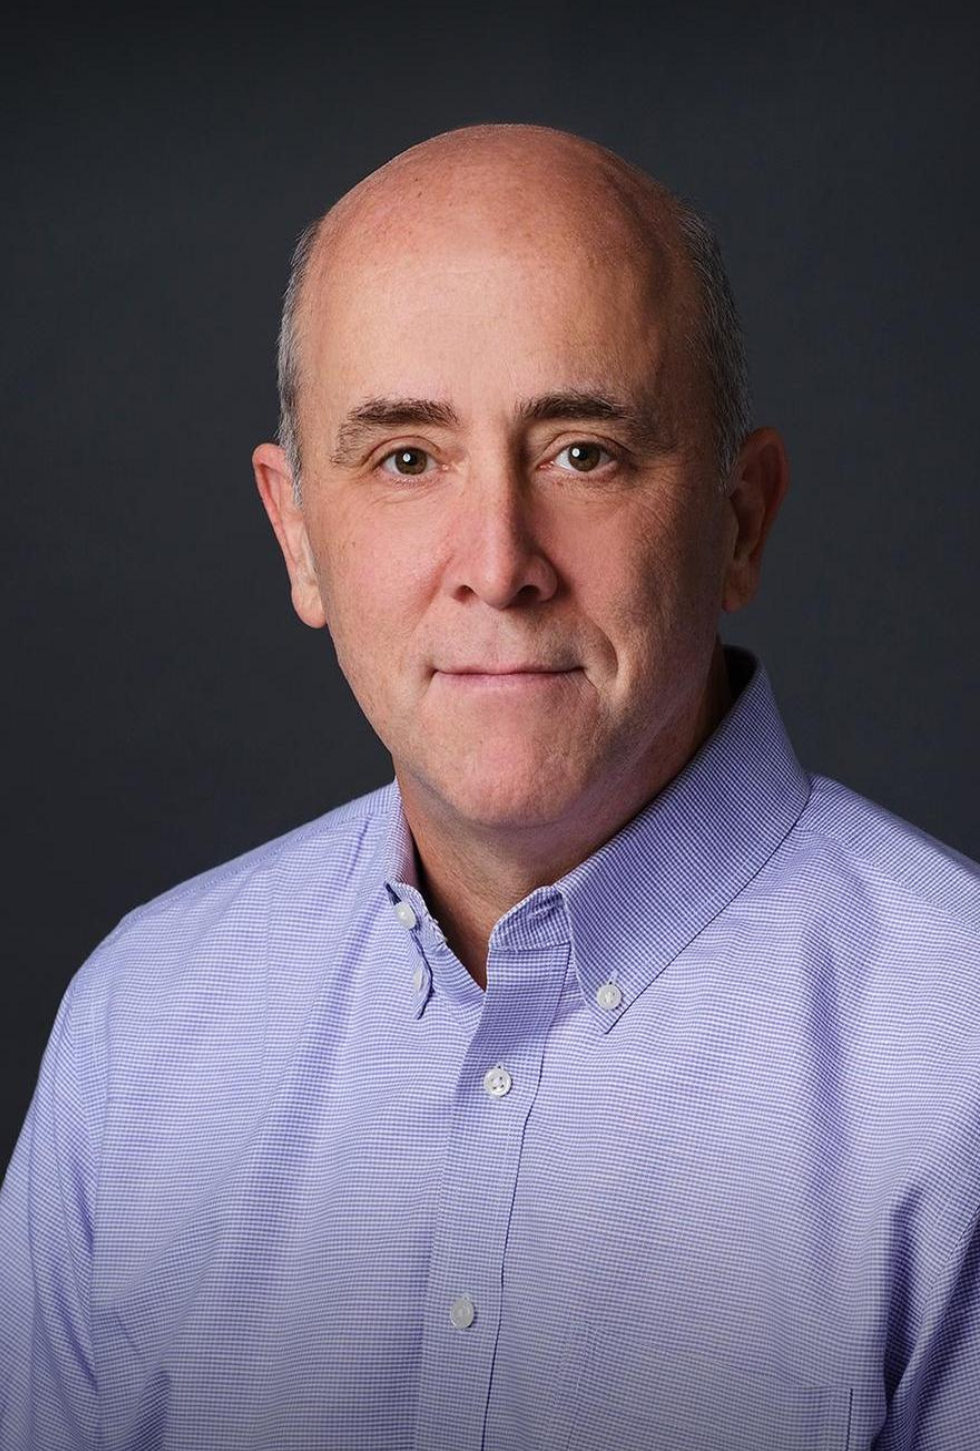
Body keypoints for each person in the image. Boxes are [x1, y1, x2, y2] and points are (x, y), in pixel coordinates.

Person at [1, 122, 977, 1451]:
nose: (499, 562)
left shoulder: (953, 1059)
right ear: (298, 533)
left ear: (741, 519)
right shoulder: (142, 1030)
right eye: (407, 456)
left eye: (584, 450)